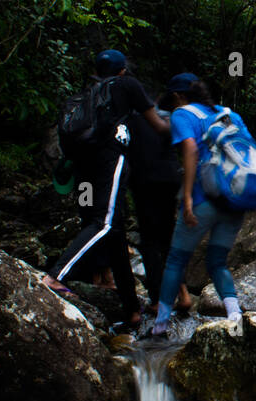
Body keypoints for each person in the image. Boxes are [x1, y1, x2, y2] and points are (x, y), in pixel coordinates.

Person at [45, 49, 169, 330]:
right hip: (109, 159)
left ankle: (132, 312)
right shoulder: (126, 85)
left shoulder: (89, 92)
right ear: (122, 70)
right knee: (105, 222)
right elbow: (157, 125)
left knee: (114, 233)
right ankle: (55, 276)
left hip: (83, 165)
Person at [150, 75, 256, 335]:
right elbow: (253, 153)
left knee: (176, 259)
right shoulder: (229, 114)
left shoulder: (182, 114)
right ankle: (235, 316)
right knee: (217, 262)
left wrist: (186, 196)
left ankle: (160, 326)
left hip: (204, 199)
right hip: (235, 200)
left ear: (177, 96)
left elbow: (190, 149)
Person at [128, 91, 191, 315]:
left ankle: (157, 300)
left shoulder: (129, 118)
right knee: (168, 236)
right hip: (170, 178)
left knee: (150, 241)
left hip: (145, 181)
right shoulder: (167, 117)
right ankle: (183, 294)